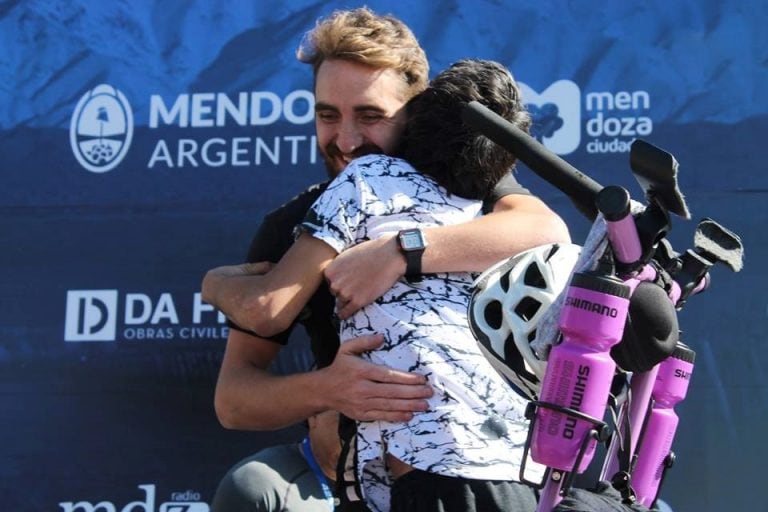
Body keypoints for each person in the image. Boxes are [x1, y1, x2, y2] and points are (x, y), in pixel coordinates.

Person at [202, 7, 569, 511]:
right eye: (328, 115)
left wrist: (401, 251)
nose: (347, 141)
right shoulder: (292, 225)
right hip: (377, 478)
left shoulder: (467, 184)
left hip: (503, 472)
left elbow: (545, 228)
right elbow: (235, 398)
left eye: (371, 116)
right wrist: (328, 391)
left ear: (415, 114)